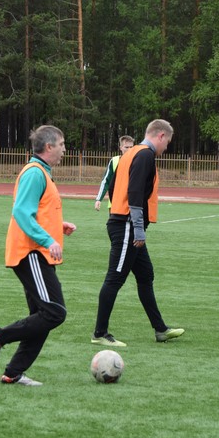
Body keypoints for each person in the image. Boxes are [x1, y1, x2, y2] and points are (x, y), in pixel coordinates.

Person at [0, 125, 77, 386]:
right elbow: (22, 213)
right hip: (31, 252)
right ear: (49, 147)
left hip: (37, 252)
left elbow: (37, 212)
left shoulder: (42, 172)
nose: (64, 149)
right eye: (61, 144)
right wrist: (48, 239)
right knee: (54, 312)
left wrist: (58, 227)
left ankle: (13, 373)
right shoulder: (35, 173)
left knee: (42, 316)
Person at [91, 119, 184, 347]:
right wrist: (138, 230)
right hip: (127, 226)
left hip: (125, 223)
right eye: (167, 142)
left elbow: (116, 188)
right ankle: (99, 333)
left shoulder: (130, 154)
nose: (166, 147)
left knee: (145, 275)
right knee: (115, 278)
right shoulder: (144, 155)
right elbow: (134, 193)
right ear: (160, 136)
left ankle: (160, 329)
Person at [94, 135, 134, 211]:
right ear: (121, 148)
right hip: (115, 204)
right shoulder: (114, 161)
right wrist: (98, 199)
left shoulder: (138, 162)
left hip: (132, 205)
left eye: (131, 147)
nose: (129, 149)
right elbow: (106, 181)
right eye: (126, 147)